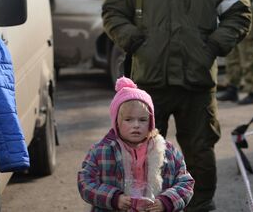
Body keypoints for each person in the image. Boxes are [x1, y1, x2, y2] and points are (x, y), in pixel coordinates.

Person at [102, 0, 252, 211]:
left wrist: (211, 47)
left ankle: (199, 206)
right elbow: (112, 11)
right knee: (143, 153)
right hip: (149, 84)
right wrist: (135, 41)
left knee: (199, 152)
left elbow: (240, 12)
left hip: (197, 82)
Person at [78, 77, 194, 212]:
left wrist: (167, 201)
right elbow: (85, 182)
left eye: (143, 120)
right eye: (129, 119)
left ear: (151, 122)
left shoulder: (167, 151)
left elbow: (186, 182)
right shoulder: (101, 151)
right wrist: (114, 198)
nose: (136, 125)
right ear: (116, 122)